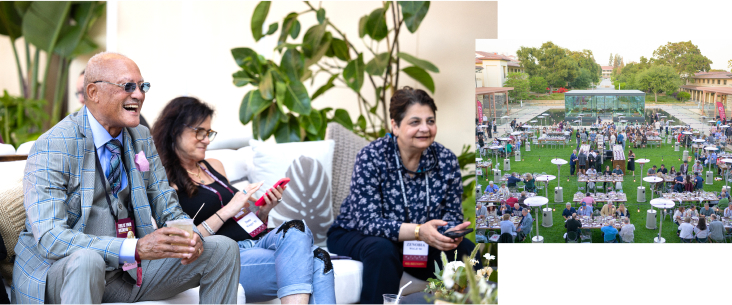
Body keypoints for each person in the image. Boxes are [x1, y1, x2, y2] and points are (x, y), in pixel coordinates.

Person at [13, 52, 240, 304]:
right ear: (93, 92)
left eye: (142, 86)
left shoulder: (141, 136)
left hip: (130, 272)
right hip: (63, 272)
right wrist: (134, 249)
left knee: (223, 249)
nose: (139, 95)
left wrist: (188, 237)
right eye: (128, 86)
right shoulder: (54, 145)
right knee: (88, 260)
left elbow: (166, 203)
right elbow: (51, 239)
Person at [154, 97, 335, 303]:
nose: (206, 139)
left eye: (209, 133)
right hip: (223, 254)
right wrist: (228, 209)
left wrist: (263, 212)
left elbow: (242, 218)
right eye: (200, 132)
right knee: (318, 260)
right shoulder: (164, 181)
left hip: (256, 240)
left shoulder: (213, 165)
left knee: (297, 228)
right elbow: (183, 244)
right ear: (174, 130)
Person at [327, 87, 480, 303]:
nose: (425, 129)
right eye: (415, 122)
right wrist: (419, 231)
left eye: (430, 121)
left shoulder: (446, 160)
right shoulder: (372, 157)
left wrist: (449, 233)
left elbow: (451, 213)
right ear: (395, 126)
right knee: (382, 250)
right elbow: (368, 222)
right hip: (356, 233)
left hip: (418, 242)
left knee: (466, 251)